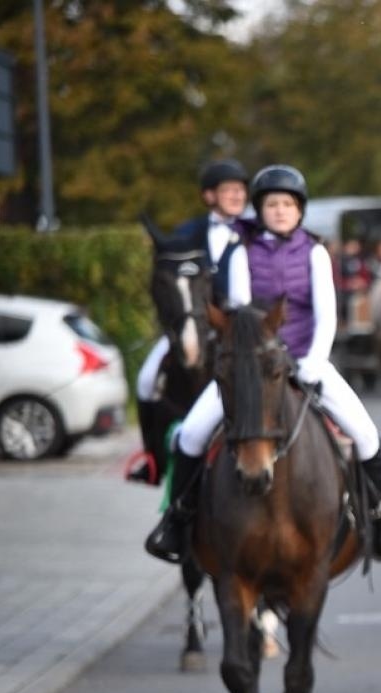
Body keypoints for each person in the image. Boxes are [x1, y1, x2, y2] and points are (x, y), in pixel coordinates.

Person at [144, 165, 381, 564]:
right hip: (252, 368)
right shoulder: (241, 252)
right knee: (191, 435)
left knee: (366, 433)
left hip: (307, 358)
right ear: (260, 209)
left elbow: (326, 316)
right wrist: (251, 365)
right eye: (272, 204)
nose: (281, 210)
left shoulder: (316, 252)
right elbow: (240, 317)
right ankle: (176, 522)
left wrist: (312, 364)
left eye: (288, 204)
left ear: (299, 210)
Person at [128, 158, 249, 484]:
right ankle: (151, 459)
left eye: (241, 190)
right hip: (191, 323)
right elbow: (168, 277)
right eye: (229, 190)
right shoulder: (187, 232)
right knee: (146, 378)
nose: (237, 196)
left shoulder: (253, 233)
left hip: (237, 327)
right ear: (209, 196)